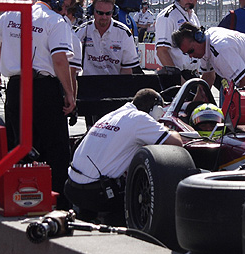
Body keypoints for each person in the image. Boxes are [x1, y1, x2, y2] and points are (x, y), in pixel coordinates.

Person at [0, 0, 76, 210]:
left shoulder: (12, 14)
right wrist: (69, 93)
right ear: (56, 1)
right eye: (65, 6)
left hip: (16, 88)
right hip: (44, 89)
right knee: (55, 151)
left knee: (20, 148)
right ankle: (57, 204)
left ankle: (22, 199)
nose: (66, 12)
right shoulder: (56, 21)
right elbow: (59, 60)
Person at [64, 88, 183, 226]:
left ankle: (88, 217)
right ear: (156, 110)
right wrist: (167, 128)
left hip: (72, 187)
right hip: (95, 194)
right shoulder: (140, 118)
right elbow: (176, 143)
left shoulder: (113, 114)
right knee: (137, 195)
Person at [172, 22, 245, 136]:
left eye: (191, 51)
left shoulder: (221, 48)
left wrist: (227, 116)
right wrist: (193, 108)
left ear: (199, 38)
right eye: (187, 53)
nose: (191, 56)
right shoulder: (205, 45)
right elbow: (208, 78)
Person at [74, 0, 140, 75]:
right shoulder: (81, 31)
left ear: (114, 12)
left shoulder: (124, 33)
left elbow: (127, 69)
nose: (104, 17)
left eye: (108, 13)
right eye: (100, 13)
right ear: (92, 11)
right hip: (88, 84)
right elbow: (73, 68)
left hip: (115, 84)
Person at [155, 0, 202, 82]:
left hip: (192, 74)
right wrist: (179, 79)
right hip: (173, 75)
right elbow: (162, 51)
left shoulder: (193, 17)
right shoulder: (168, 16)